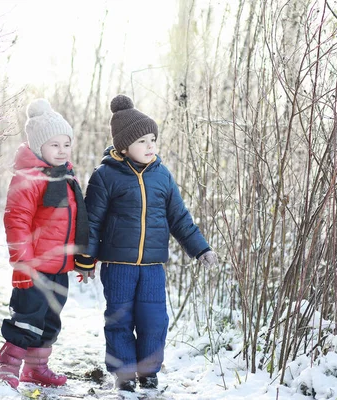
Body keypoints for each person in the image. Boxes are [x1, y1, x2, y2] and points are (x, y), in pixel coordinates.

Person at [75, 94, 219, 392]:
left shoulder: (162, 176)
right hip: (118, 266)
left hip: (153, 267)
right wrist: (86, 260)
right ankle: (124, 373)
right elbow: (92, 222)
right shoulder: (105, 177)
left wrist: (200, 248)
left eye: (153, 139)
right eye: (142, 141)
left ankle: (148, 370)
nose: (150, 145)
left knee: (154, 321)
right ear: (123, 147)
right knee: (120, 321)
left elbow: (180, 217)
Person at [0, 98, 88, 389]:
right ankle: (8, 367)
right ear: (38, 147)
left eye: (66, 144)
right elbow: (17, 220)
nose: (61, 151)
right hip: (34, 265)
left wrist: (82, 258)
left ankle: (36, 369)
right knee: (26, 317)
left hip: (59, 265)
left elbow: (75, 221)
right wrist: (22, 263)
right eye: (54, 145)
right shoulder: (30, 178)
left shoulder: (66, 176)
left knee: (50, 318)